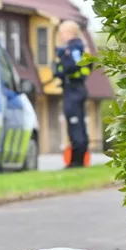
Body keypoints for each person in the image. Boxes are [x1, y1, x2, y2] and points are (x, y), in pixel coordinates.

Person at [53, 20, 91, 168]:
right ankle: (79, 159)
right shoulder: (79, 48)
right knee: (78, 124)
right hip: (76, 89)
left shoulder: (74, 48)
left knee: (75, 124)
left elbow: (75, 65)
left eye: (62, 33)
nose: (61, 36)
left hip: (74, 90)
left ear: (69, 33)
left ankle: (77, 161)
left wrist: (62, 66)